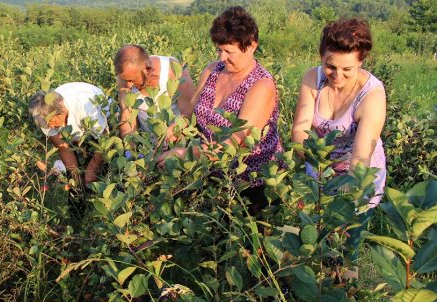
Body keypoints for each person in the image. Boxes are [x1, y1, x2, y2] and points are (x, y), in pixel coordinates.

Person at [157, 6, 282, 214]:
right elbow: (189, 114)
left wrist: (184, 153)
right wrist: (173, 130)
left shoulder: (261, 85)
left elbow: (233, 144)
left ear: (251, 46)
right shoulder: (212, 70)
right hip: (213, 173)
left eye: (229, 51)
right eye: (219, 49)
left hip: (252, 183)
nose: (222, 57)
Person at [291, 18, 386, 208]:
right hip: (319, 171)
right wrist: (318, 168)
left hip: (357, 179)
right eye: (331, 66)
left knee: (348, 233)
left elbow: (360, 158)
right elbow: (299, 131)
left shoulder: (371, 95)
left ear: (361, 61)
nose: (337, 75)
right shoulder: (313, 78)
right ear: (321, 57)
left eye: (347, 69)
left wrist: (345, 206)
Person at [29, 82, 109, 186]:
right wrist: (76, 181)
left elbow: (105, 139)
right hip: (78, 125)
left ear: (60, 110)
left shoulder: (85, 106)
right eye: (47, 125)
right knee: (78, 177)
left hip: (102, 118)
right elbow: (64, 149)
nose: (51, 127)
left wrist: (92, 170)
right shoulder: (44, 118)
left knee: (97, 160)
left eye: (53, 123)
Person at [114, 44, 196, 138]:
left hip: (175, 138)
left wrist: (167, 140)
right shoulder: (125, 76)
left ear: (148, 69)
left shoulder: (174, 71)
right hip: (147, 142)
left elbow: (187, 115)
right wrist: (130, 149)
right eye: (125, 80)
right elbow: (127, 116)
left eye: (132, 80)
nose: (128, 85)